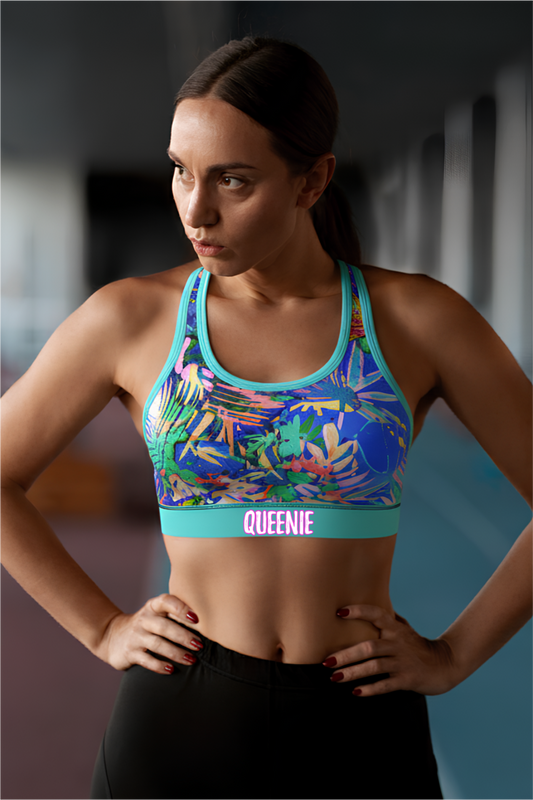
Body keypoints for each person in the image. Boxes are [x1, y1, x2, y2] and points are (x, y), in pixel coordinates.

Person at [1, 35, 533, 799]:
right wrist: (103, 626)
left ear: (311, 180)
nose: (196, 208)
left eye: (233, 180)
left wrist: (452, 655)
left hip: (360, 721)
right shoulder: (131, 320)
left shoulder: (416, 321)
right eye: (180, 171)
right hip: (182, 712)